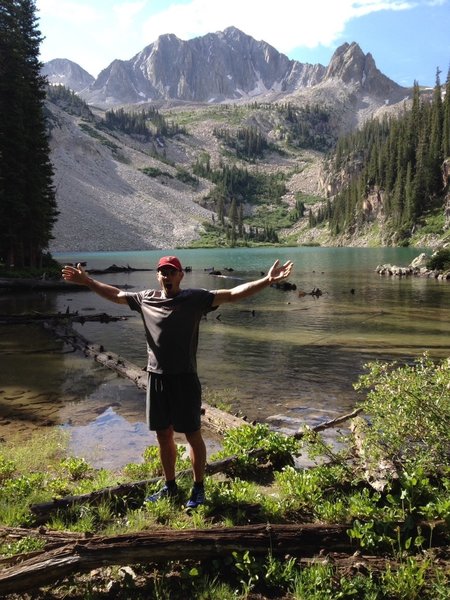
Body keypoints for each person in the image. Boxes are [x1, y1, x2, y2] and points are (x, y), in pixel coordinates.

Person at [61, 256, 293, 508]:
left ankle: (198, 487)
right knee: (163, 435)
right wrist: (87, 281)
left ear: (180, 275)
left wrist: (268, 280)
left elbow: (232, 294)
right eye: (163, 272)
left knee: (193, 434)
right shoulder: (145, 298)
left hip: (185, 378)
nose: (167, 276)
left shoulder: (195, 299)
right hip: (157, 378)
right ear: (157, 276)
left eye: (172, 272)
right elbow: (116, 294)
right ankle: (170, 486)